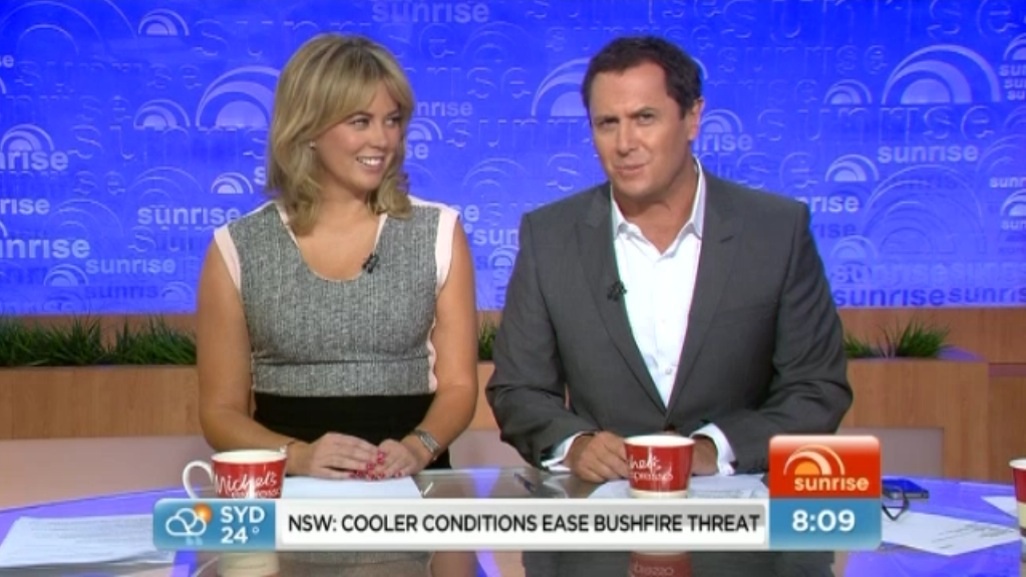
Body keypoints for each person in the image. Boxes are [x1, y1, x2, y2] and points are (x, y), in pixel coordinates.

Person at [485, 35, 852, 483]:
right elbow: (518, 390)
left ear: (692, 117)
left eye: (645, 118)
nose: (625, 143)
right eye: (607, 123)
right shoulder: (550, 237)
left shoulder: (775, 230)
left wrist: (713, 450)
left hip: (740, 511)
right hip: (603, 512)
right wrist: (576, 444)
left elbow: (816, 388)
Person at [196, 33, 478, 480]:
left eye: (392, 120)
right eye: (360, 121)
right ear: (308, 128)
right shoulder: (238, 246)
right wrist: (297, 457)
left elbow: (460, 387)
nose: (382, 139)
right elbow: (219, 413)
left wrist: (418, 447)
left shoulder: (439, 232)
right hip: (292, 491)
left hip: (411, 483)